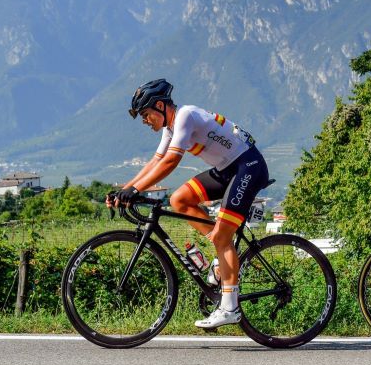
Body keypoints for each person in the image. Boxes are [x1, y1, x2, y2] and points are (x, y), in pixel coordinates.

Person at [108, 79, 269, 329]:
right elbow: (156, 161)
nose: (145, 121)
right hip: (227, 169)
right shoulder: (170, 127)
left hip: (248, 166)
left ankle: (230, 307)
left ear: (160, 106)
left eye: (147, 114)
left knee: (222, 238)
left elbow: (171, 162)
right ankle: (220, 252)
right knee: (179, 200)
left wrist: (137, 189)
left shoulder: (185, 115)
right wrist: (125, 189)